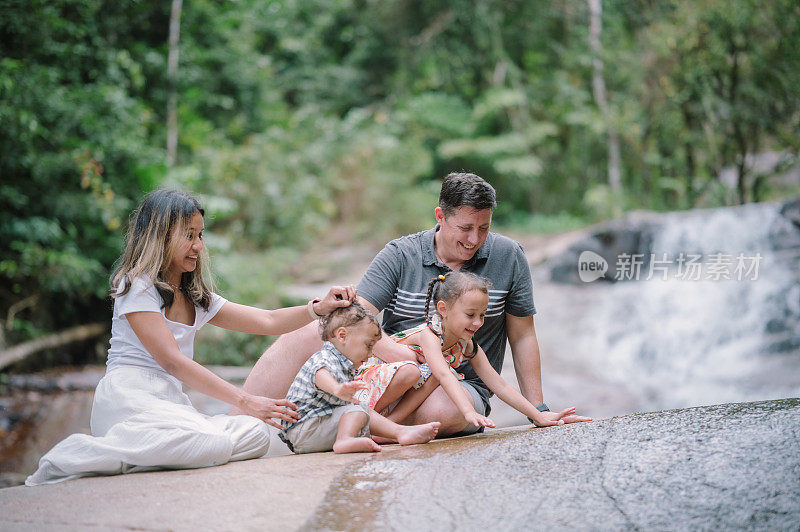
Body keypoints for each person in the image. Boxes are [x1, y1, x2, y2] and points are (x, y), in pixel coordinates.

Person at [26, 189, 355, 486]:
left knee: (257, 433)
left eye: (200, 235)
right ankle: (83, 453)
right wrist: (245, 401)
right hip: (129, 400)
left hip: (170, 406)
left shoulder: (196, 295)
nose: (199, 245)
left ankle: (149, 460)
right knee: (210, 442)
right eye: (189, 235)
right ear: (162, 236)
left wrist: (319, 307)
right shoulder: (136, 284)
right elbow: (172, 361)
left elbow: (266, 320)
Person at [235, 172, 590, 436]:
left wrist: (538, 411)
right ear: (440, 216)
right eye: (465, 228)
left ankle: (367, 426)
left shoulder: (508, 256)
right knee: (313, 331)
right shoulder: (401, 253)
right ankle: (240, 423)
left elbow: (523, 336)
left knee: (448, 410)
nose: (474, 239)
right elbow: (358, 319)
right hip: (389, 373)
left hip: (456, 388)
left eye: (484, 228)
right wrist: (398, 353)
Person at [357, 271, 576, 430]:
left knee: (436, 375)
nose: (478, 322)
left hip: (402, 391)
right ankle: (372, 423)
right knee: (437, 373)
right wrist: (468, 411)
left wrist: (538, 415)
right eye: (470, 315)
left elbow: (498, 384)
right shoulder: (429, 335)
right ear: (443, 309)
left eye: (482, 315)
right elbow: (443, 374)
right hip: (373, 382)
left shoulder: (466, 344)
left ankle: (388, 426)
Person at [279, 302, 441, 454]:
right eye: (368, 345)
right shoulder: (325, 357)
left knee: (360, 409)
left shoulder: (344, 364)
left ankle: (400, 432)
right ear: (342, 336)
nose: (371, 353)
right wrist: (336, 389)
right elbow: (320, 374)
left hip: (313, 429)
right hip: (305, 429)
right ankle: (345, 440)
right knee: (357, 408)